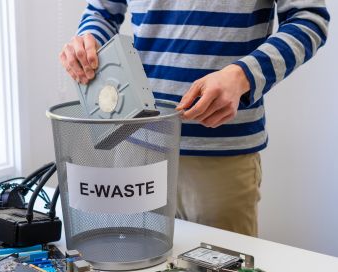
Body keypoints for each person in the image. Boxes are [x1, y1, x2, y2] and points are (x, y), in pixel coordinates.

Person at [59, 1, 330, 236]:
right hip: (134, 140)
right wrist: (87, 42)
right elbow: (102, 12)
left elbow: (308, 18)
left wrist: (242, 75)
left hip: (219, 156)